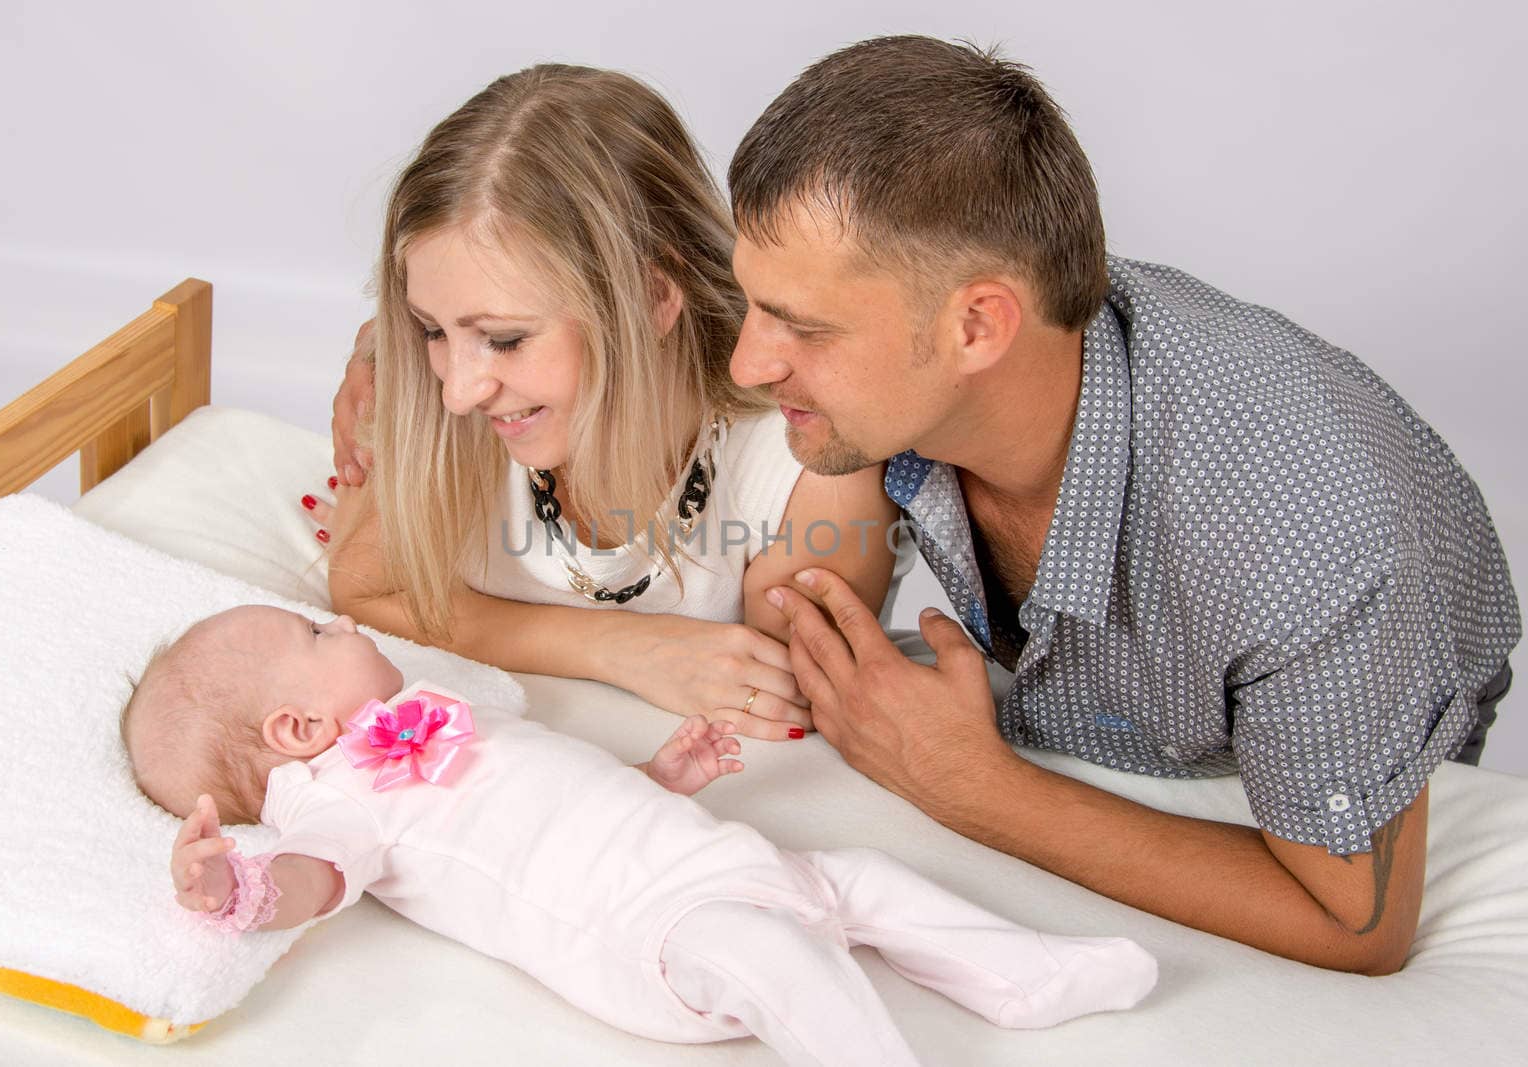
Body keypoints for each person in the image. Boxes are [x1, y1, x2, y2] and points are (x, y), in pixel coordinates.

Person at [723, 35, 1520, 975]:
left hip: (1272, 776)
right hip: (1084, 718)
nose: (748, 363)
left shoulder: (1312, 538)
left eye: (804, 327)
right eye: (756, 305)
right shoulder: (914, 378)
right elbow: (783, 617)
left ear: (978, 324)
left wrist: (972, 784)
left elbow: (1359, 924)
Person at [121, 605, 1159, 1066]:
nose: (341, 624)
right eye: (315, 636)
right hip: (648, 931)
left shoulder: (442, 717)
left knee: (867, 878)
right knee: (782, 957)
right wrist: (237, 890)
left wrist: (661, 775)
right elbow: (314, 878)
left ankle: (1025, 973)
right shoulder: (338, 797)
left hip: (707, 857)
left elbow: (550, 796)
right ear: (298, 731)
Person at [317, 64, 900, 743]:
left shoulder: (805, 468)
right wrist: (618, 646)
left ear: (654, 296)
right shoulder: (426, 397)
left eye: (505, 339)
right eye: (432, 330)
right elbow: (368, 589)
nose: (457, 392)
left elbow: (776, 699)